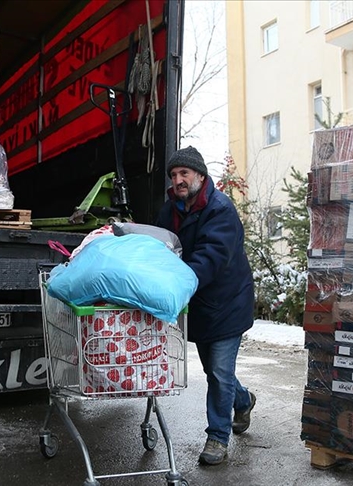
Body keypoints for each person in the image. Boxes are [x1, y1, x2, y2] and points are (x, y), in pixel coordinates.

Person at [154, 146, 256, 465]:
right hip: (199, 304)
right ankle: (243, 400)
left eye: (184, 173)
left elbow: (210, 258)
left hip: (228, 303)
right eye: (174, 175)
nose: (178, 180)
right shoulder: (170, 210)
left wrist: (176, 282)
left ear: (200, 175)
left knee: (220, 372)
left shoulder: (220, 209)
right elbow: (158, 247)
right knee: (214, 370)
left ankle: (217, 438)